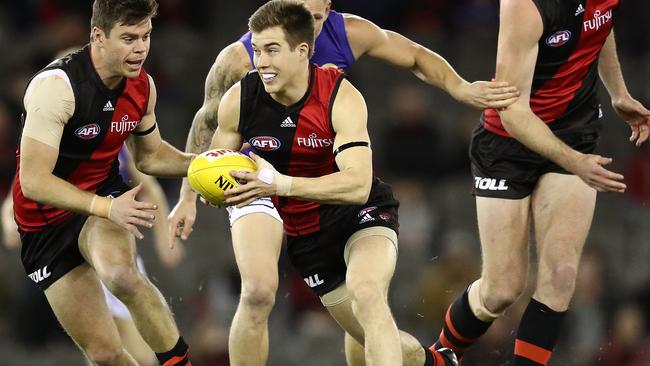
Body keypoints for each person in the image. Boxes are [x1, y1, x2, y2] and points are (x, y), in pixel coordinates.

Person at [168, 0, 519, 364]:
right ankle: (436, 362)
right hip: (271, 185)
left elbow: (357, 183)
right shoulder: (238, 78)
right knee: (263, 294)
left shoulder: (342, 88)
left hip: (346, 199)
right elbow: (208, 139)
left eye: (315, 18)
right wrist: (194, 193)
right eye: (259, 51)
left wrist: (460, 88)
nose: (262, 61)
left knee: (367, 295)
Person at [429, 0, 650, 365]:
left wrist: (619, 93)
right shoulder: (525, 6)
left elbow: (600, 25)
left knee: (561, 274)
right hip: (508, 143)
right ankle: (442, 354)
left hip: (575, 132)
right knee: (502, 289)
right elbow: (513, 110)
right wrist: (575, 162)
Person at [13, 0, 194, 364]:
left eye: (145, 36)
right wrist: (109, 207)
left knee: (121, 274)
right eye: (128, 38)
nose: (140, 48)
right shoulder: (56, 88)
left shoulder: (143, 87)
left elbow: (150, 156)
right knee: (106, 354)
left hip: (100, 196)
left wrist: (203, 164)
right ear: (97, 36)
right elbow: (33, 181)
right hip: (42, 224)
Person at [2, 147, 184, 366]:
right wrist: (8, 222)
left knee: (142, 354)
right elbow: (22, 187)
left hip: (111, 249)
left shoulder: (117, 143)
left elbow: (150, 188)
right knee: (102, 351)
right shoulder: (52, 143)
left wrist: (164, 238)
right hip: (71, 252)